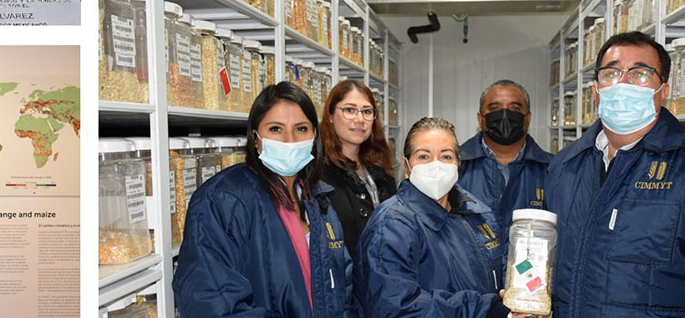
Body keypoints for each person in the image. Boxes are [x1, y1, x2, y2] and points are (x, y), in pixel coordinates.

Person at [546, 31, 685, 317]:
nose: (623, 83)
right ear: (596, 89)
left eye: (640, 74)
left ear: (664, 90)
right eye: (611, 73)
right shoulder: (565, 166)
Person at [173, 83, 357, 318]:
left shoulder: (318, 202)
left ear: (314, 136)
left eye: (301, 128)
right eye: (275, 129)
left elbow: (343, 289)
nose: (289, 140)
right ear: (255, 137)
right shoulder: (223, 200)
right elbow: (213, 303)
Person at [356, 118, 532, 318]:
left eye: (446, 156)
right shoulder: (391, 225)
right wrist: (486, 310)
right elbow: (395, 308)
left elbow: (502, 269)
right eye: (423, 156)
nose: (436, 165)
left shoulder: (477, 213)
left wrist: (526, 299)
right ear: (406, 166)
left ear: (458, 163)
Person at [457, 80, 552, 248]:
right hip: (467, 272)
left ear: (528, 118)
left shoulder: (553, 169)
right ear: (480, 118)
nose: (505, 115)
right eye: (494, 109)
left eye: (515, 109)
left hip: (529, 273)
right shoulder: (455, 167)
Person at [318, 80, 396, 257]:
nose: (360, 119)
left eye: (367, 111)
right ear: (330, 115)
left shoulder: (379, 166)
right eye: (349, 110)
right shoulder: (319, 172)